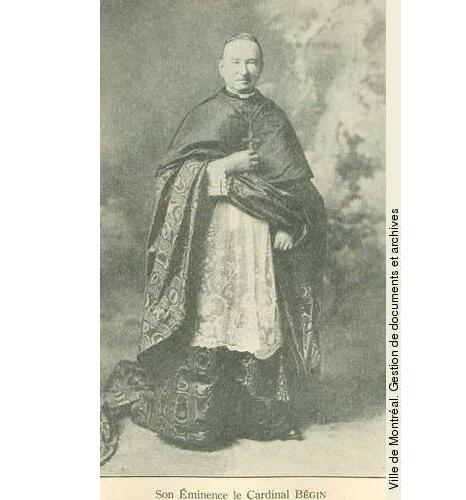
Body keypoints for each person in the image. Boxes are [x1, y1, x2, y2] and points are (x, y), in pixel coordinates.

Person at [101, 33, 326, 460]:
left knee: (253, 313)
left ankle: (259, 414)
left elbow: (300, 192)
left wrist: (290, 225)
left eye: (252, 62)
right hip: (214, 238)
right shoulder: (205, 114)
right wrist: (224, 165)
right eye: (236, 63)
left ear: (261, 68)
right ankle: (201, 416)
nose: (244, 71)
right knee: (214, 314)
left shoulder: (273, 118)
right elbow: (171, 179)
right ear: (221, 67)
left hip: (258, 243)